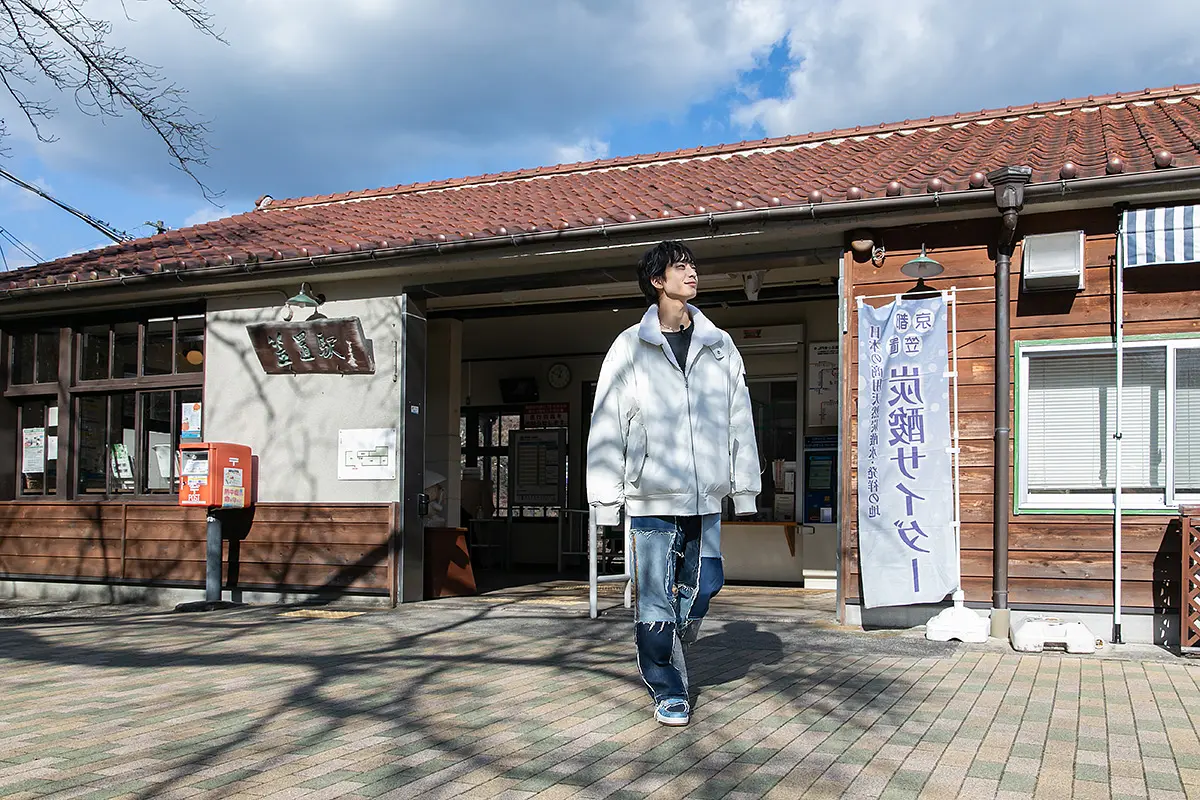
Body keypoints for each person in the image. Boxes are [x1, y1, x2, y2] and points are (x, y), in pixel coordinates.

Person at [585, 240, 761, 727]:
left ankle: (668, 636)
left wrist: (744, 488)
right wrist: (605, 500)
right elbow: (606, 425)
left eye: (693, 266)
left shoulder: (720, 344)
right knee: (655, 598)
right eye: (680, 267)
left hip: (706, 496)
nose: (692, 273)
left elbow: (739, 419)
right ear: (657, 281)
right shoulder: (629, 347)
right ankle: (667, 687)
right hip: (651, 494)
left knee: (707, 583)